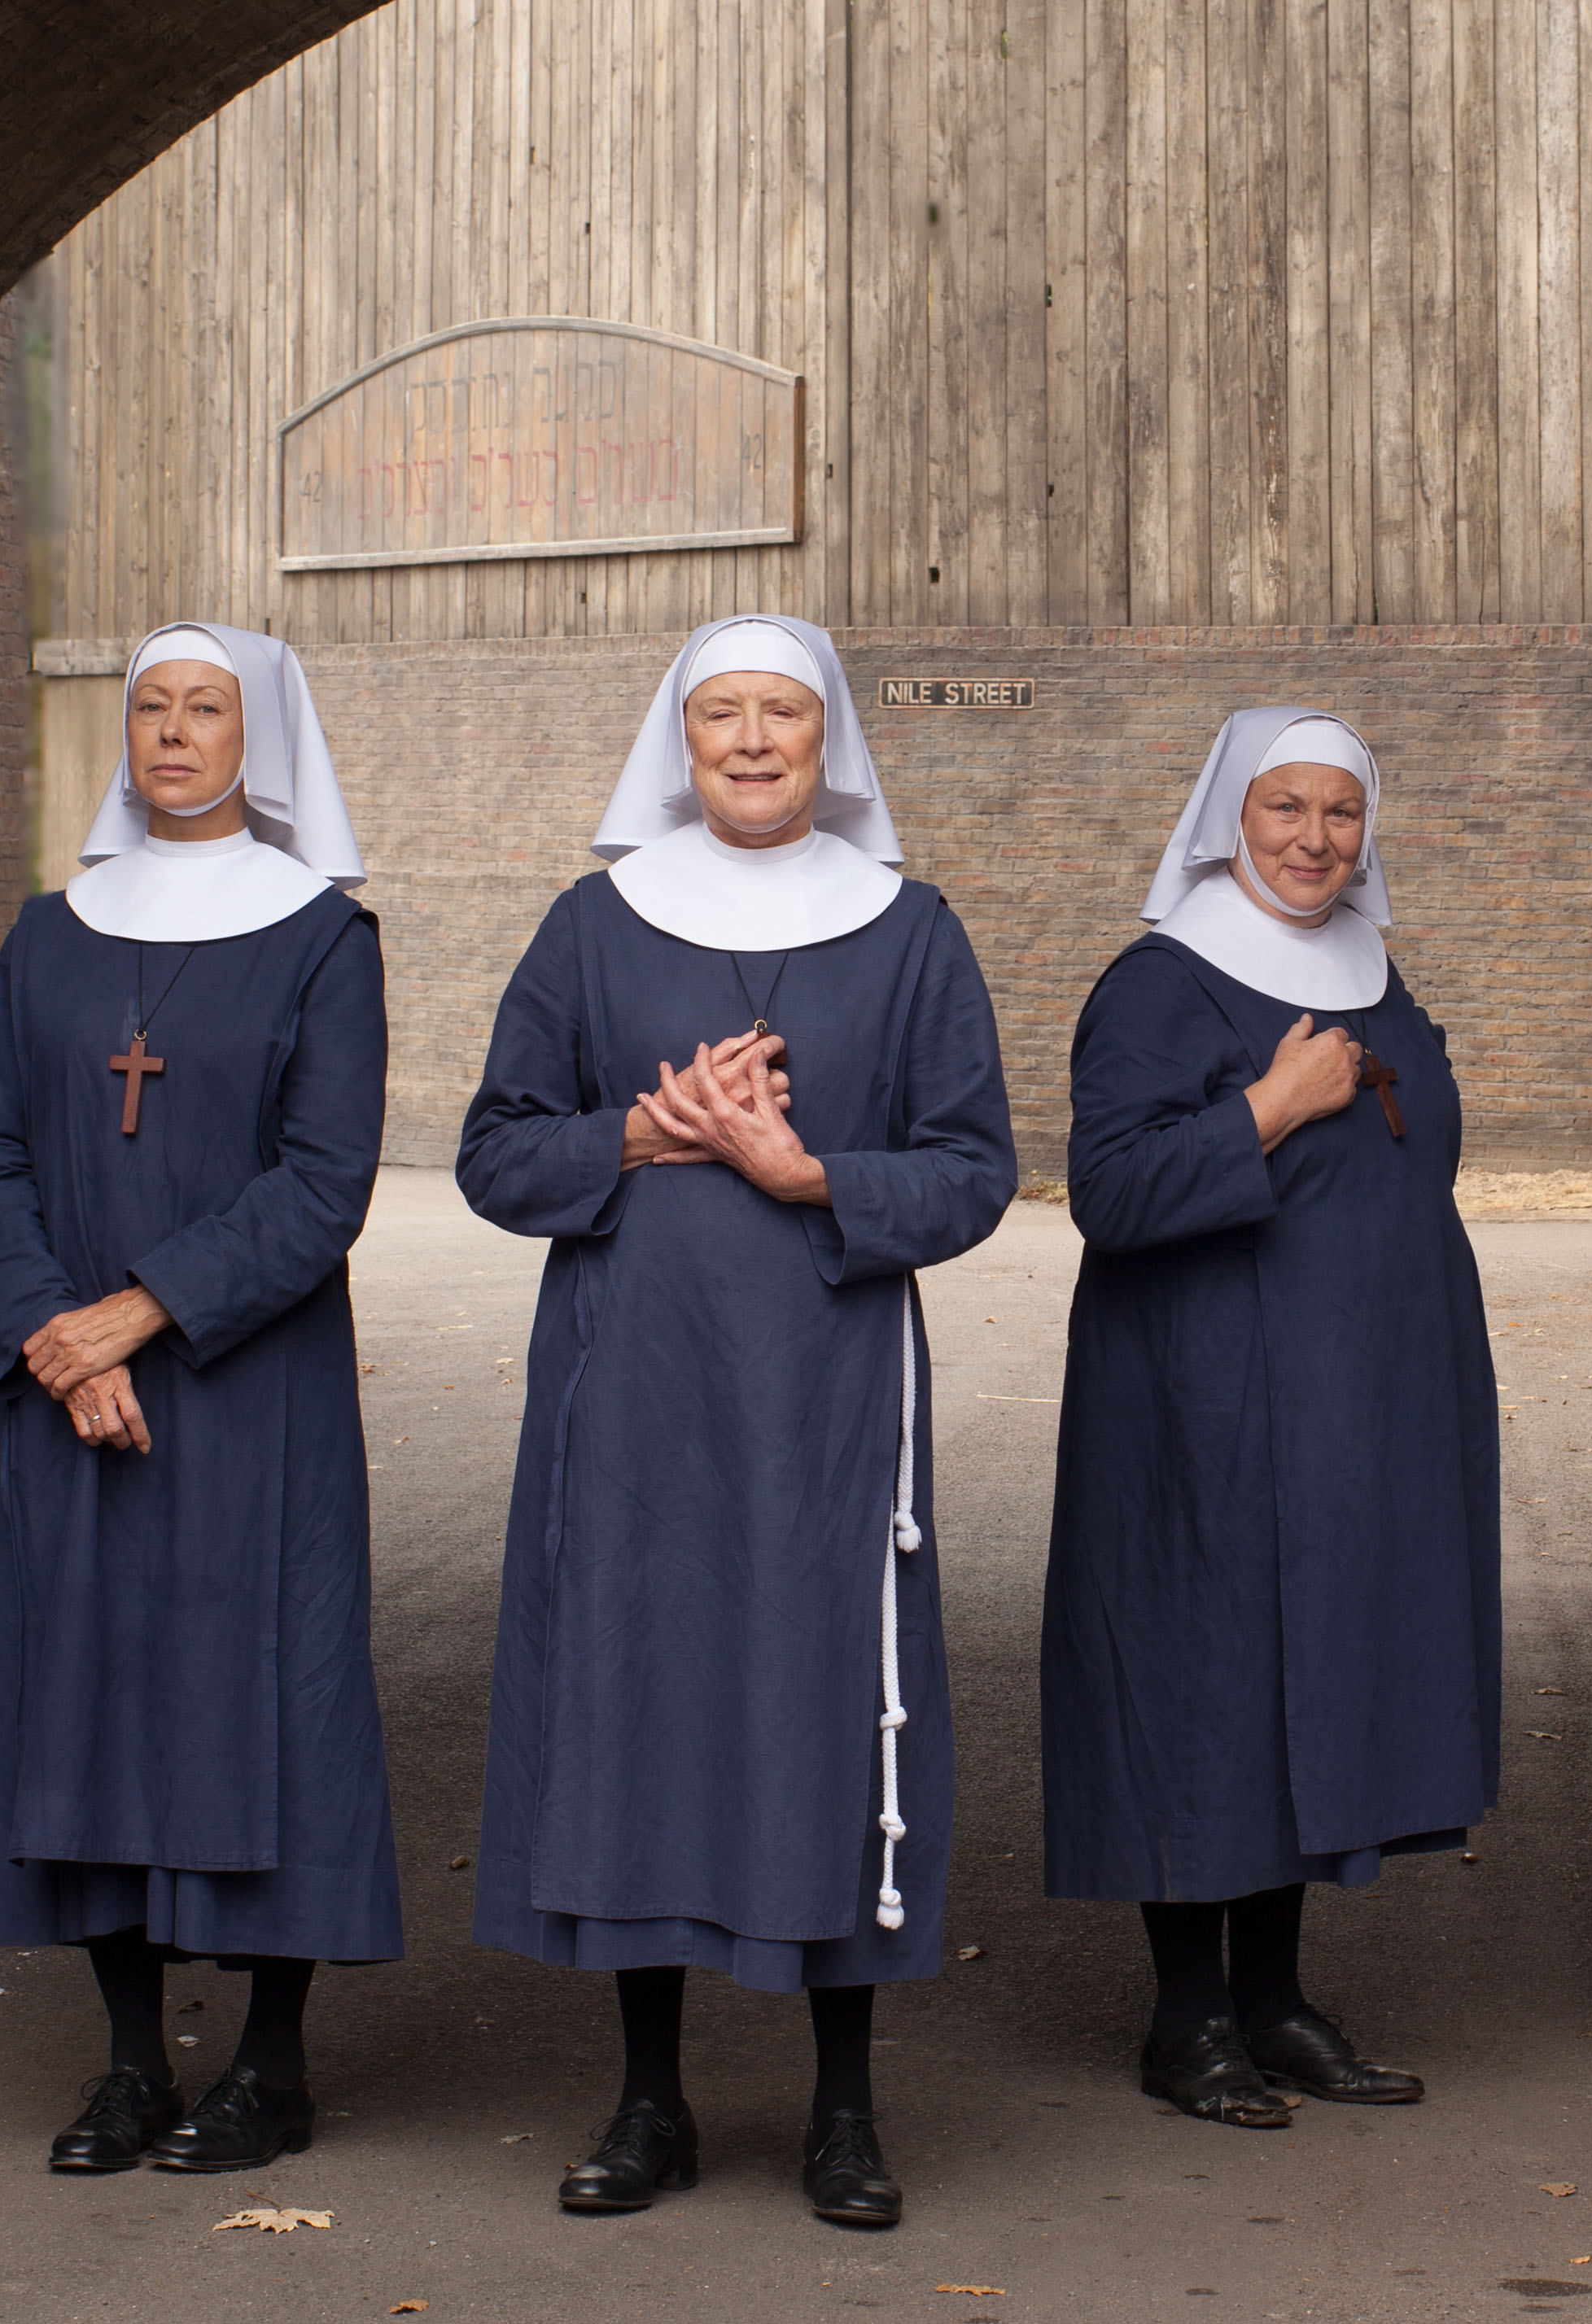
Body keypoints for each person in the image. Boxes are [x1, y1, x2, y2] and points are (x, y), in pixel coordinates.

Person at [459, 617, 1015, 2230]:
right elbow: (496, 1153)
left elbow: (976, 1169)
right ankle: (650, 2102)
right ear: (680, 742)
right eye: (724, 716)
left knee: (831, 1705)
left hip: (829, 1397)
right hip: (632, 1392)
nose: (756, 741)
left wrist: (806, 1175)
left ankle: (845, 2112)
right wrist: (640, 1131)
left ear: (829, 739)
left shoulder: (911, 935)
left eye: (785, 713)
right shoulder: (591, 927)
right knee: (645, 1702)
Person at [0, 623, 393, 2174]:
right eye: (151, 708)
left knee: (264, 1700)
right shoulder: (49, 933)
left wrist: (137, 1317)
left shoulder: (324, 940)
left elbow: (329, 1179)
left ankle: (269, 2068)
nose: (175, 733)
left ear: (260, 741)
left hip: (245, 1388)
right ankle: (132, 2065)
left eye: (208, 710)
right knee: (88, 1706)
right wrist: (53, 1339)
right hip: (69, 1391)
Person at [1042, 708, 1499, 2130]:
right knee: (1206, 1683)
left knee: (1314, 1678)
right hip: (1201, 1397)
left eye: (1341, 814)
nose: (1313, 840)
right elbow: (1109, 1194)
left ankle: (1277, 2002)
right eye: (1285, 809)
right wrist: (1266, 1110)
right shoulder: (1159, 985)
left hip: (1360, 1392)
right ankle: (1188, 2021)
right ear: (1229, 817)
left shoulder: (1379, 973)